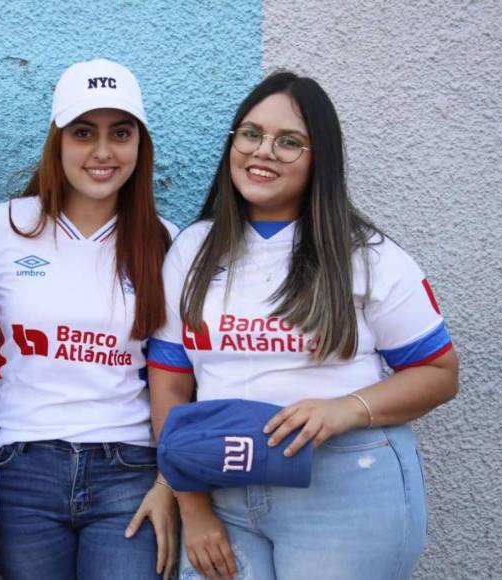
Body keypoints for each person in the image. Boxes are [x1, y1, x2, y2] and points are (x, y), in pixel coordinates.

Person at [147, 71, 459, 580]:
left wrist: (346, 409)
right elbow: (170, 382)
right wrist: (193, 507)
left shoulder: (367, 256)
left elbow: (440, 374)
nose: (263, 152)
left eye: (289, 142)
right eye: (251, 134)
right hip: (220, 484)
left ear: (320, 159)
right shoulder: (193, 250)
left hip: (343, 485)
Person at [0, 58, 179, 580]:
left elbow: (178, 378)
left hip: (130, 468)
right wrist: (24, 368)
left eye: (121, 133)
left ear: (139, 145)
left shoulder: (166, 241)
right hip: (21, 465)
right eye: (84, 133)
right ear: (58, 141)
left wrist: (169, 483)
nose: (103, 152)